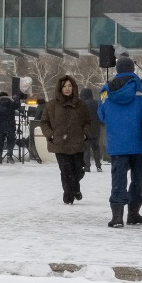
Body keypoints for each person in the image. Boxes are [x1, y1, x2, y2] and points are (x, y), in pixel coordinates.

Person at [98, 55, 142, 229]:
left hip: (117, 143)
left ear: (117, 70)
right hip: (140, 142)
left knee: (118, 178)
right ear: (133, 69)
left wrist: (116, 125)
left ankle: (117, 217)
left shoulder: (106, 89)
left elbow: (102, 114)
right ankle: (133, 214)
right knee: (137, 178)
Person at [40, 75, 92, 205]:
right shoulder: (51, 105)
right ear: (60, 88)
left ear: (73, 87)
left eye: (69, 86)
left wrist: (85, 134)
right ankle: (68, 195)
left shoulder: (81, 105)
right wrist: (50, 135)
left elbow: (87, 122)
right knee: (66, 170)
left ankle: (75, 188)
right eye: (64, 86)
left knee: (78, 170)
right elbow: (44, 122)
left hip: (77, 142)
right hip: (60, 143)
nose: (67, 89)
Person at [0, 92, 18, 162]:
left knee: (0, 142)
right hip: (10, 126)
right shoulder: (12, 105)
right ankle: (9, 155)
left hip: (0, 127)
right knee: (11, 142)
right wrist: (16, 98)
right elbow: (18, 105)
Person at [83, 98, 105, 173]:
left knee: (86, 149)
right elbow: (101, 114)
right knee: (96, 148)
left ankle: (87, 167)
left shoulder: (82, 104)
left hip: (86, 130)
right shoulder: (97, 103)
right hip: (96, 129)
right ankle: (98, 166)